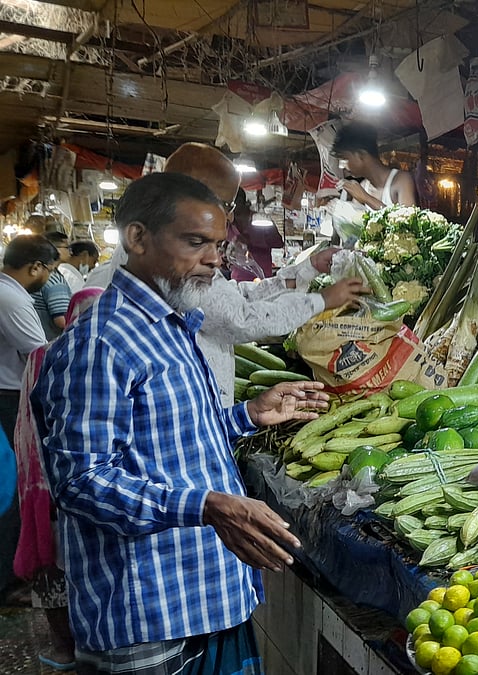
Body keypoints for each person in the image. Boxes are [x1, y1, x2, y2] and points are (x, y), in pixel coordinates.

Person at [32, 173, 330, 674]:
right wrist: (208, 506)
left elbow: (163, 437)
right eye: (195, 242)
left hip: (204, 593)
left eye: (217, 245)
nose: (213, 259)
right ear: (138, 238)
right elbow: (81, 482)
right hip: (148, 613)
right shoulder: (101, 341)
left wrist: (247, 415)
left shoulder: (171, 324)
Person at [88, 142, 368, 405]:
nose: (230, 217)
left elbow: (232, 296)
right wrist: (321, 300)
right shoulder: (159, 268)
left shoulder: (169, 258)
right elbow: (241, 319)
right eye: (226, 204)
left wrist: (307, 269)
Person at [13, 287, 101, 671]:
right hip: (84, 485)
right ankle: (89, 645)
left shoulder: (43, 356)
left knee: (53, 567)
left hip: (47, 483)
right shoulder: (102, 357)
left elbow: (26, 427)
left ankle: (65, 649)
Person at [0, 234, 57, 598]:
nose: (47, 279)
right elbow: (40, 355)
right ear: (34, 266)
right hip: (8, 400)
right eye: (47, 271)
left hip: (7, 396)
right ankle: (8, 578)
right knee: (11, 488)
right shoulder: (12, 299)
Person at [333, 121, 417, 210]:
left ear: (361, 155)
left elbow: (408, 221)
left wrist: (366, 198)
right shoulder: (362, 187)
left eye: (344, 158)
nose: (341, 166)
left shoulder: (401, 180)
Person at [227, 188, 284, 282]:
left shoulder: (261, 219)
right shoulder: (228, 224)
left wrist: (253, 243)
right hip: (238, 278)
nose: (230, 207)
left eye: (231, 203)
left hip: (261, 277)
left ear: (240, 201)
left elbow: (279, 243)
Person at [31, 231, 72, 340]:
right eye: (67, 247)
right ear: (55, 249)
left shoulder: (41, 275)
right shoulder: (54, 279)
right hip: (50, 341)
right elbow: (62, 321)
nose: (70, 252)